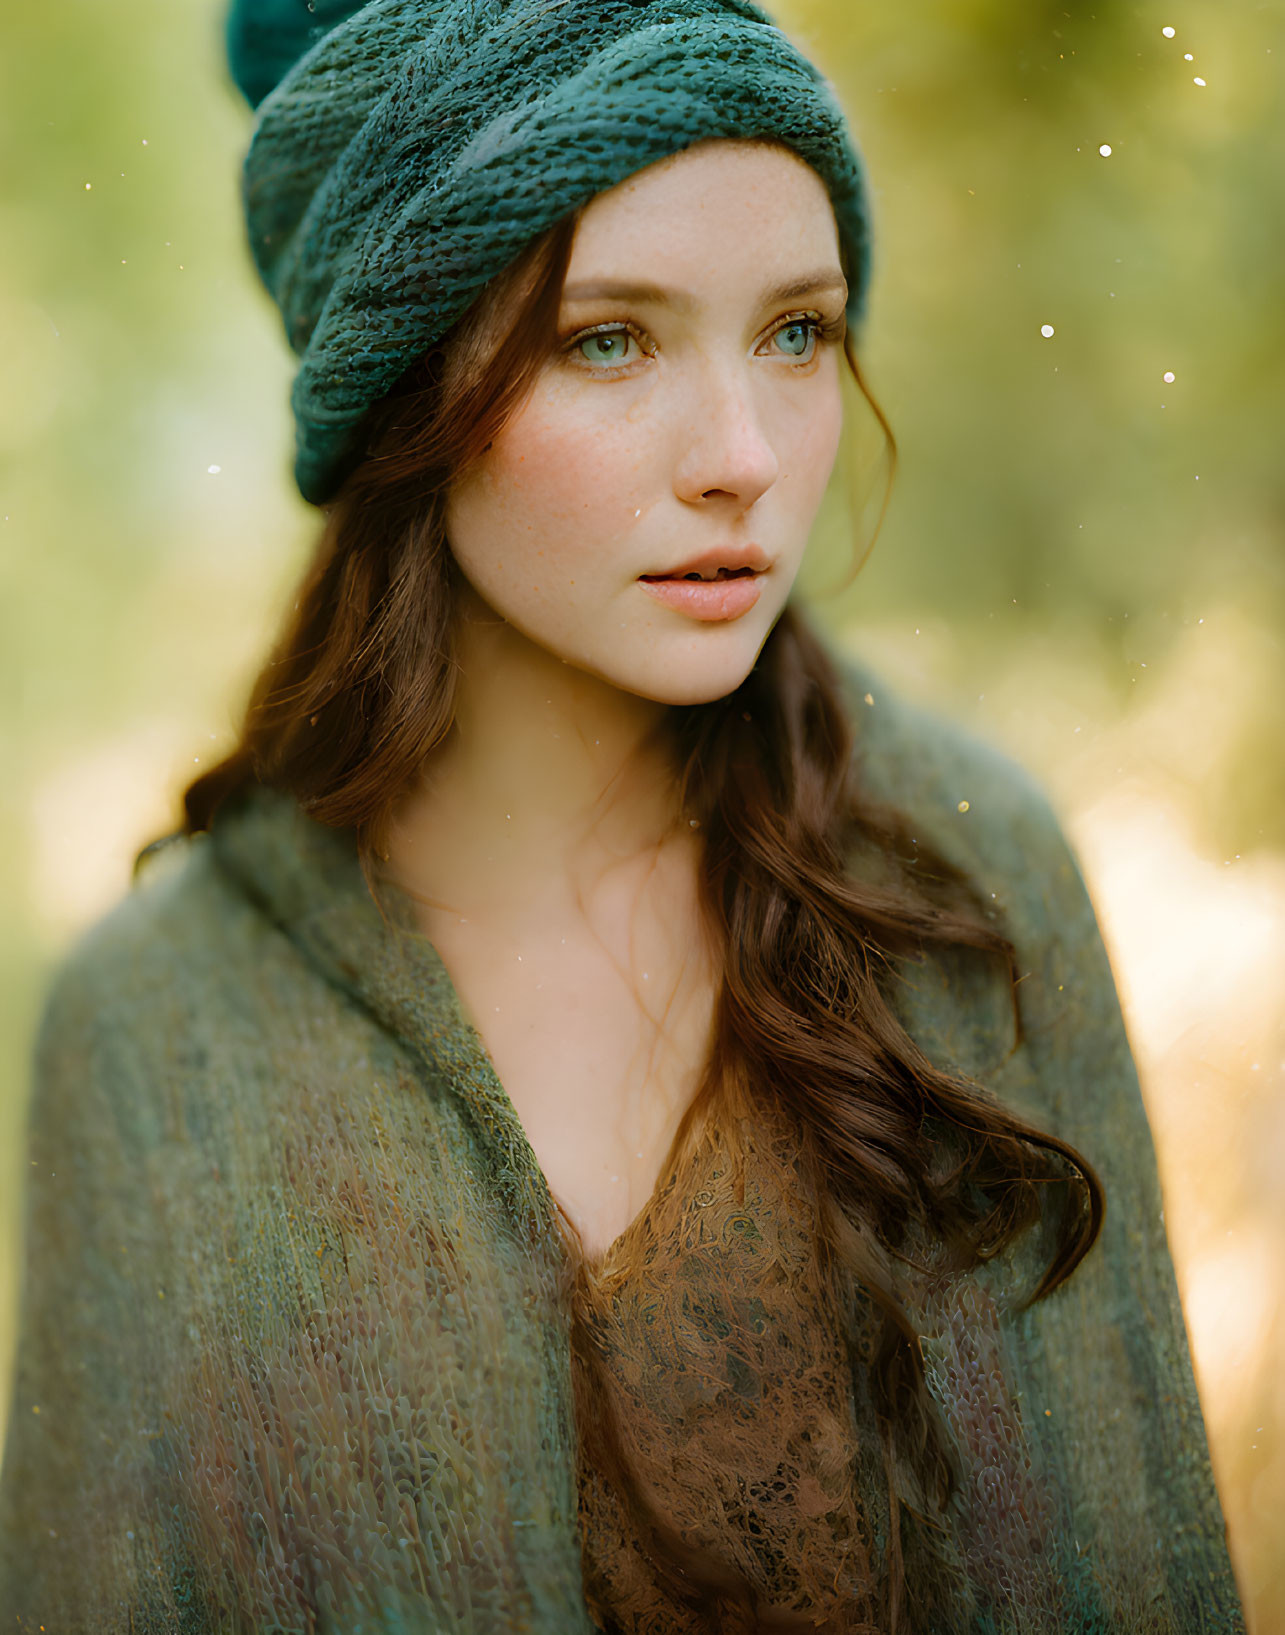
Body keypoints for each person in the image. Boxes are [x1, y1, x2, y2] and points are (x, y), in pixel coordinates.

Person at [0, 1, 1244, 1630]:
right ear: (401, 393)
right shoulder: (160, 1031)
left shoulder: (965, 873)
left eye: (795, 332)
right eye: (608, 339)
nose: (743, 456)